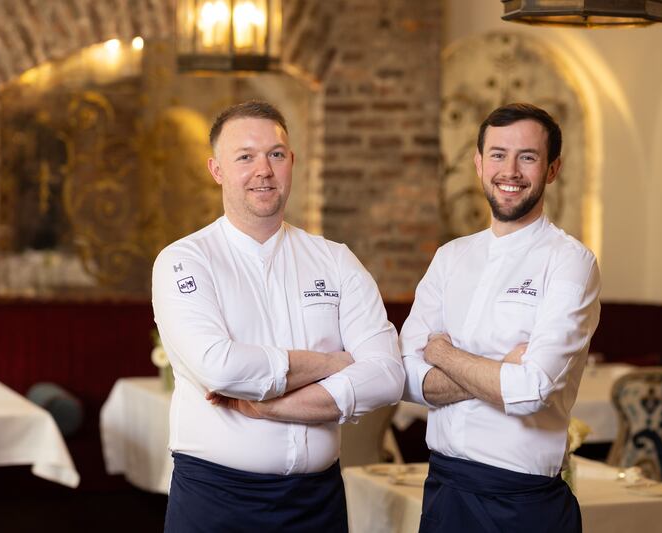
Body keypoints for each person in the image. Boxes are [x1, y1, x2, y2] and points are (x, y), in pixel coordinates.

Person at [152, 100, 404, 533]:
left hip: (317, 503)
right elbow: (221, 367)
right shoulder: (185, 260)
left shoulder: (335, 260)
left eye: (276, 154)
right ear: (217, 170)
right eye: (245, 157)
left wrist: (268, 408)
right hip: (216, 501)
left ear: (292, 162)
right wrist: (332, 364)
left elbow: (387, 375)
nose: (263, 169)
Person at [400, 103, 601, 533]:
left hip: (524, 503)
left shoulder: (570, 263)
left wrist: (443, 353)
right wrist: (499, 372)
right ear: (478, 163)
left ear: (552, 169)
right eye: (497, 154)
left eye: (527, 157)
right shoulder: (450, 257)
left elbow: (529, 392)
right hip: (443, 492)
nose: (509, 170)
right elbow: (405, 379)